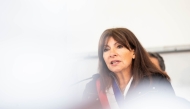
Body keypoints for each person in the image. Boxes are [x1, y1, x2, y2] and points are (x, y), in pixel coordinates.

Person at [80, 28, 190, 109]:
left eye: (119, 46)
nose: (112, 54)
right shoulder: (94, 87)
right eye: (106, 49)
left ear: (133, 52)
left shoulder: (156, 82)